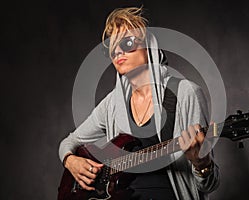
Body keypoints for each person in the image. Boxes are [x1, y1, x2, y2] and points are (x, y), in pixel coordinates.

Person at [59, 7, 219, 200]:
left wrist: (201, 164)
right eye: (111, 47)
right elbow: (68, 142)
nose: (118, 51)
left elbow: (210, 184)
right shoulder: (112, 104)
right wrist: (70, 160)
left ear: (149, 46)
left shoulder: (186, 93)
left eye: (127, 43)